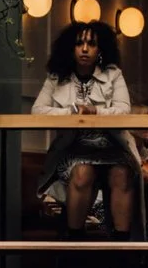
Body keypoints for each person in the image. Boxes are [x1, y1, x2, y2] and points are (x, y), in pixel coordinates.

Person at [32, 19, 139, 235]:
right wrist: (71, 111)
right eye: (79, 43)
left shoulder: (113, 74)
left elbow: (124, 110)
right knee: (82, 173)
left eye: (91, 44)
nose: (84, 49)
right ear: (70, 48)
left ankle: (121, 254)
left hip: (112, 147)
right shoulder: (56, 78)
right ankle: (74, 249)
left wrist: (95, 111)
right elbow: (38, 111)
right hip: (74, 148)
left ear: (100, 50)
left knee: (121, 174)